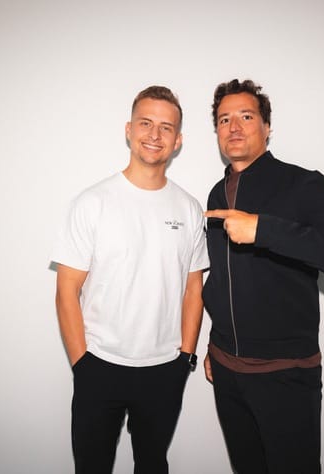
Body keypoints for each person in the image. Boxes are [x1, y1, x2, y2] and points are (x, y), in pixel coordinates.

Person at [202, 79, 324, 474]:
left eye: (246, 116)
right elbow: (223, 280)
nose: (234, 127)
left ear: (267, 127)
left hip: (285, 374)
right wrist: (215, 342)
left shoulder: (303, 184)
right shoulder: (215, 195)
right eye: (224, 119)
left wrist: (264, 229)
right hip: (227, 372)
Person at [51, 85, 208, 474]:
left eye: (166, 127)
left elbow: (194, 289)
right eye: (145, 123)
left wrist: (185, 358)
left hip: (164, 369)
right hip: (99, 365)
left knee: (153, 466)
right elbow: (67, 291)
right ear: (128, 129)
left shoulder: (189, 209)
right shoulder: (92, 203)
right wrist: (83, 365)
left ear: (178, 140)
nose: (155, 134)